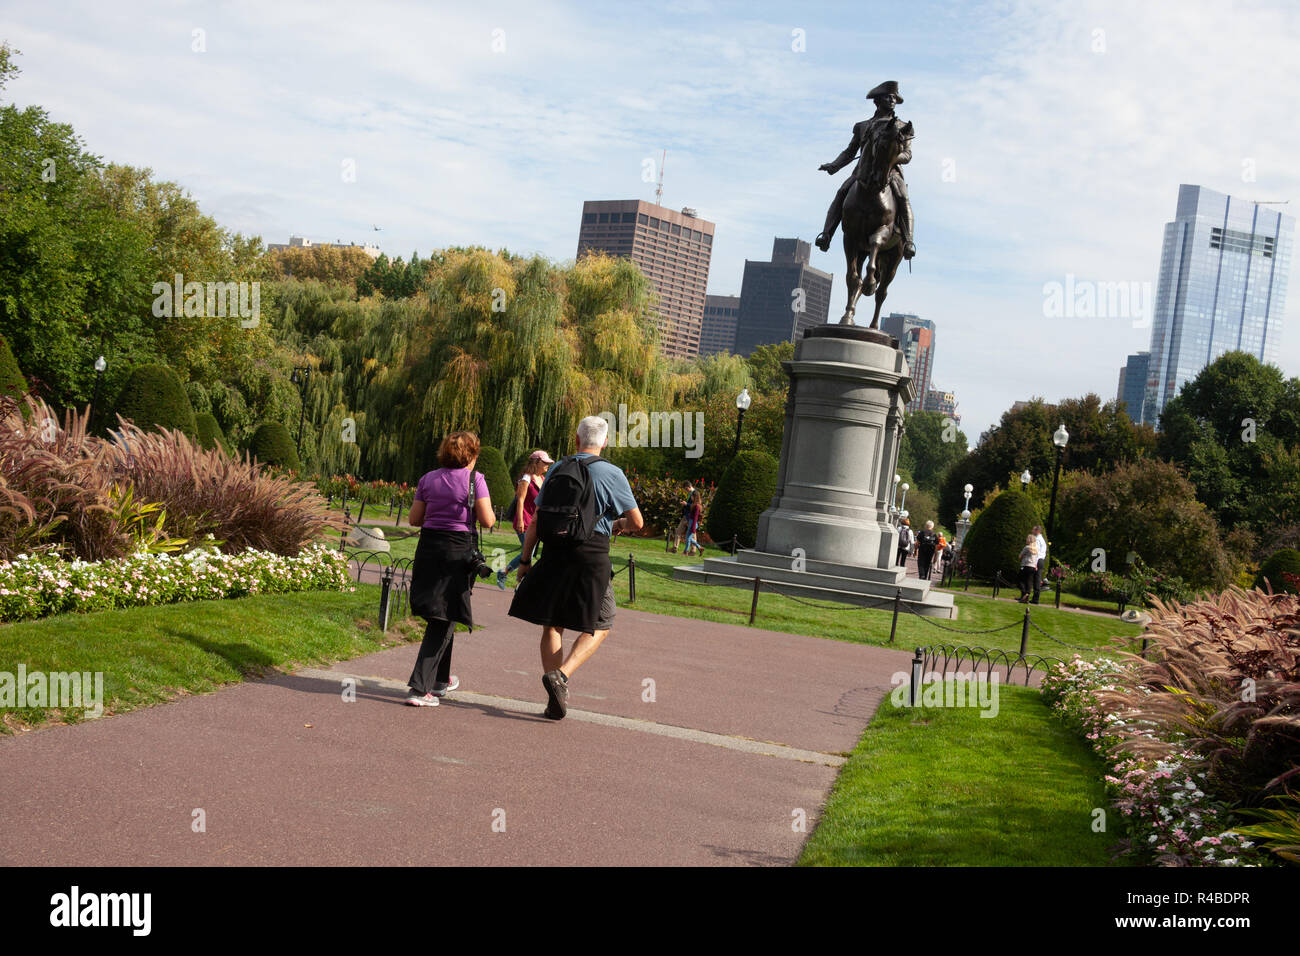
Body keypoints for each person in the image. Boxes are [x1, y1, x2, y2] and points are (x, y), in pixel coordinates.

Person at [509, 416, 644, 721]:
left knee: (553, 624)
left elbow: (536, 520)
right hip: (592, 553)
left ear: (577, 439)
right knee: (602, 621)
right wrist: (616, 523)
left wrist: (525, 560)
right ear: (605, 442)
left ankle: (553, 696)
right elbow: (637, 522)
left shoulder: (557, 469)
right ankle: (562, 676)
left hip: (555, 549)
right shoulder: (613, 472)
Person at [404, 431, 495, 707]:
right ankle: (420, 688)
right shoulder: (474, 480)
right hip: (458, 551)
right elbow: (488, 520)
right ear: (472, 455)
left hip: (429, 549)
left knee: (447, 611)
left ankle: (440, 682)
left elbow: (414, 519)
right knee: (443, 615)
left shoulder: (427, 479)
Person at [815, 81, 915, 258]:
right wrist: (834, 166)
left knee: (903, 198)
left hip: (890, 173)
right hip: (862, 172)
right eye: (888, 97)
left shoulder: (903, 126)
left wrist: (891, 158)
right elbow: (849, 152)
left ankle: (908, 241)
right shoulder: (862, 126)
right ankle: (826, 235)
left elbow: (907, 155)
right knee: (842, 192)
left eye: (894, 98)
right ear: (877, 101)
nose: (892, 100)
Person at [497, 450, 553, 589]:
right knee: (530, 552)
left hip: (537, 521)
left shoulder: (543, 478)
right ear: (536, 462)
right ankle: (520, 582)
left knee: (528, 552)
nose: (547, 465)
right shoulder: (526, 478)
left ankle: (510, 576)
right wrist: (520, 520)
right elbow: (520, 500)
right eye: (544, 462)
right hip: (525, 519)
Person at [668, 484, 695, 553]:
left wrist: (686, 504)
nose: (686, 491)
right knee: (678, 531)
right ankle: (675, 548)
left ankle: (693, 550)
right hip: (685, 516)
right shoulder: (690, 494)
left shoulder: (695, 493)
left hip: (691, 517)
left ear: (689, 486)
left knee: (692, 534)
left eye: (686, 489)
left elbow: (695, 506)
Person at [1017, 534, 1039, 603]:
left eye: (1027, 539)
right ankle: (1027, 594)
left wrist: (1021, 557)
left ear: (1030, 540)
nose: (1026, 540)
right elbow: (1036, 559)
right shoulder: (1036, 549)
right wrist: (1035, 566)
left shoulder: (1027, 547)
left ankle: (1024, 594)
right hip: (1033, 567)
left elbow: (1020, 556)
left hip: (1025, 565)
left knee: (1020, 580)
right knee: (1029, 582)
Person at [683, 490, 704, 556]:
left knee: (688, 538)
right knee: (688, 538)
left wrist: (693, 527)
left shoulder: (697, 506)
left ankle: (685, 552)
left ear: (695, 497)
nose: (691, 497)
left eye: (692, 496)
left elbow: (695, 518)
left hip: (693, 523)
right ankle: (699, 548)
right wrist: (688, 521)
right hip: (691, 522)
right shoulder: (694, 505)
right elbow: (691, 516)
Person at [1031, 525, 1048, 605]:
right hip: (1041, 560)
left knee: (1036, 580)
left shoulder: (1037, 539)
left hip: (1038, 560)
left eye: (1033, 530)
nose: (1032, 531)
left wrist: (1035, 563)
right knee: (1037, 579)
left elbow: (1036, 552)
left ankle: (1035, 599)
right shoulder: (1042, 539)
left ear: (1037, 531)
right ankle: (1035, 598)